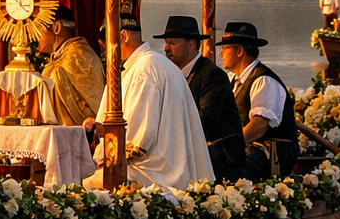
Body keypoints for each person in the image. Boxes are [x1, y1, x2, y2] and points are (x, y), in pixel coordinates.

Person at [85, 17, 213, 191]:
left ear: (123, 36)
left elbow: (138, 138)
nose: (107, 51)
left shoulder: (144, 70)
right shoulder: (156, 64)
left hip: (154, 172)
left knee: (83, 184)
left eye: (108, 44)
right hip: (171, 164)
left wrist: (101, 137)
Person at [153, 15, 244, 183]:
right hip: (193, 149)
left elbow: (206, 123)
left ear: (191, 44)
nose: (166, 48)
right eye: (166, 42)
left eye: (172, 42)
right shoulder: (174, 75)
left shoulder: (212, 75)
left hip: (221, 156)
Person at [216, 21, 300, 180]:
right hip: (251, 148)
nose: (220, 54)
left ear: (239, 50)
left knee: (228, 169)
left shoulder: (263, 80)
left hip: (272, 154)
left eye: (224, 49)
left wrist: (231, 147)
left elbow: (259, 125)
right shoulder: (236, 81)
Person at [36, 7, 105, 130]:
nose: (36, 36)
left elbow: (95, 106)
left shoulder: (78, 56)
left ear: (56, 28)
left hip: (77, 136)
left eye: (39, 28)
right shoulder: (57, 58)